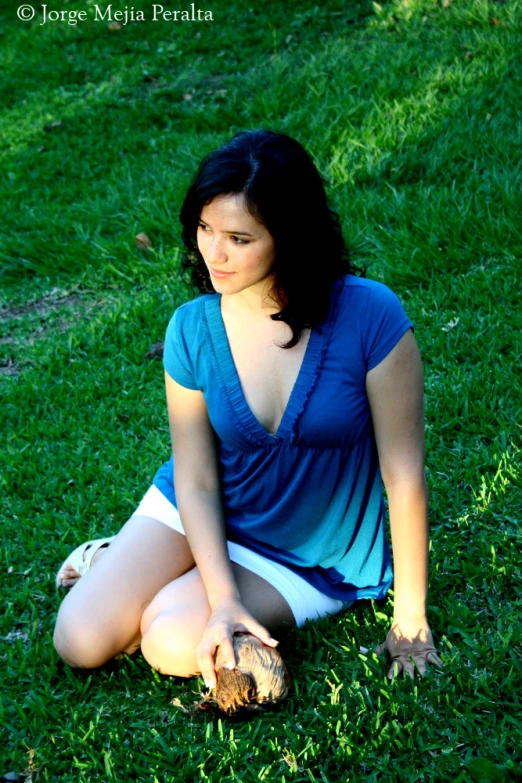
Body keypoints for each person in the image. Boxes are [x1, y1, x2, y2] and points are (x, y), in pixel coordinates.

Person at [53, 129, 443, 686]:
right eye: (205, 229)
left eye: (239, 237)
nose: (213, 252)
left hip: (304, 550)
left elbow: (403, 477)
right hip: (203, 506)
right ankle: (121, 561)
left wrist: (410, 619)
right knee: (79, 639)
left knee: (167, 640)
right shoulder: (192, 327)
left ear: (290, 236)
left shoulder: (372, 317)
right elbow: (196, 480)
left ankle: (141, 577)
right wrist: (223, 598)